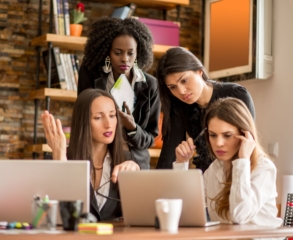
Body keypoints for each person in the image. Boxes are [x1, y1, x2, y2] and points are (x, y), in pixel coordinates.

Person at [173, 97, 282, 227]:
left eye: (227, 135)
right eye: (213, 135)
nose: (218, 143)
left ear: (245, 135)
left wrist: (242, 161)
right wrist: (181, 163)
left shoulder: (263, 168)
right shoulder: (215, 169)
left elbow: (239, 215)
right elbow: (185, 208)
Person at [41, 89, 140, 221]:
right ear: (83, 122)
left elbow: (138, 215)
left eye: (112, 115)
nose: (108, 124)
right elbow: (49, 217)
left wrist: (136, 178)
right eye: (98, 117)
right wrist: (60, 160)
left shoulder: (126, 160)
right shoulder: (54, 159)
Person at [78, 17, 160, 169]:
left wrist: (133, 127)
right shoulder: (90, 74)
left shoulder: (150, 85)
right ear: (107, 51)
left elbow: (150, 139)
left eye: (131, 53)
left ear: (138, 53)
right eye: (118, 53)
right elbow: (82, 119)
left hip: (134, 163)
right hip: (98, 159)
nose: (125, 59)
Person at [156, 47, 255, 172]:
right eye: (173, 87)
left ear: (199, 71)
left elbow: (248, 143)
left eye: (184, 80)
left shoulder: (236, 94)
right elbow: (168, 157)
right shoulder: (179, 106)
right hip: (205, 178)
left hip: (237, 172)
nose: (181, 91)